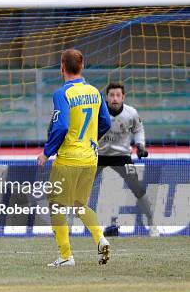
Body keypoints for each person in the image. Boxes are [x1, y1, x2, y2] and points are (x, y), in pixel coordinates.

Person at [37, 49, 112, 267]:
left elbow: (61, 126)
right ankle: (100, 238)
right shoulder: (94, 91)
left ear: (62, 67)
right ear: (82, 66)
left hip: (69, 158)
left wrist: (46, 152)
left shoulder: (62, 93)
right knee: (80, 205)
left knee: (56, 206)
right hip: (90, 157)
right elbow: (106, 122)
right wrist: (90, 139)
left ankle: (66, 255)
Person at [99, 82, 158, 237]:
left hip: (122, 156)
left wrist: (140, 146)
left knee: (137, 187)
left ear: (123, 97)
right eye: (112, 95)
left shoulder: (131, 113)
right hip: (98, 156)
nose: (115, 98)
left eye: (118, 95)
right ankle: (69, 224)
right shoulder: (97, 111)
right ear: (107, 97)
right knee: (82, 187)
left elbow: (138, 130)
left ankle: (152, 224)